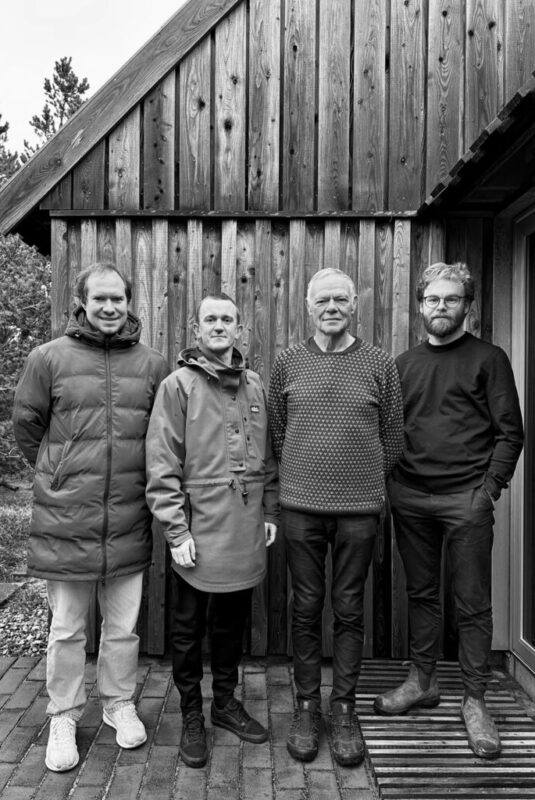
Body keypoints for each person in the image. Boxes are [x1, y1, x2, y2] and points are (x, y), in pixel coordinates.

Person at [12, 262, 169, 773]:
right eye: (98, 299)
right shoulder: (48, 358)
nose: (108, 308)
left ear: (129, 302)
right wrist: (57, 475)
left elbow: (165, 436)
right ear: (81, 302)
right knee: (66, 629)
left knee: (123, 629)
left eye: (117, 299)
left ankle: (118, 704)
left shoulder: (152, 364)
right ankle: (63, 713)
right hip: (66, 519)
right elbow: (27, 424)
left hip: (128, 516)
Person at [373, 262, 524, 759]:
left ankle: (476, 701)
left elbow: (510, 432)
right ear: (420, 306)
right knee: (422, 594)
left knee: (472, 602)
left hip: (467, 500)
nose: (441, 307)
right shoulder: (403, 364)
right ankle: (422, 681)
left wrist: (488, 490)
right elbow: (391, 429)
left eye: (451, 299)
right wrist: (393, 481)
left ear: (468, 306)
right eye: (433, 299)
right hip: (410, 496)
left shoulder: (489, 358)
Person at [268, 268, 404, 767]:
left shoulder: (378, 363)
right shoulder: (287, 363)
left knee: (348, 608)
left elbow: (394, 436)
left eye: (340, 299)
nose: (331, 306)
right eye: (322, 299)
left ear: (354, 306)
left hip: (359, 512)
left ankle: (342, 706)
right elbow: (279, 434)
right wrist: (305, 474)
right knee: (305, 607)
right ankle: (307, 705)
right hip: (301, 508)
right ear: (308, 306)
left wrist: (361, 478)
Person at [145, 293, 278, 769]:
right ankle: (190, 716)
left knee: (231, 622)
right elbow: (162, 463)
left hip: (244, 523)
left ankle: (224, 703)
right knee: (186, 628)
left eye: (228, 319)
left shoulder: (256, 385)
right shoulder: (178, 386)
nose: (220, 326)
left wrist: (270, 510)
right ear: (196, 328)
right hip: (198, 524)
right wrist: (177, 532)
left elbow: (269, 455)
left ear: (239, 328)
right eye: (211, 319)